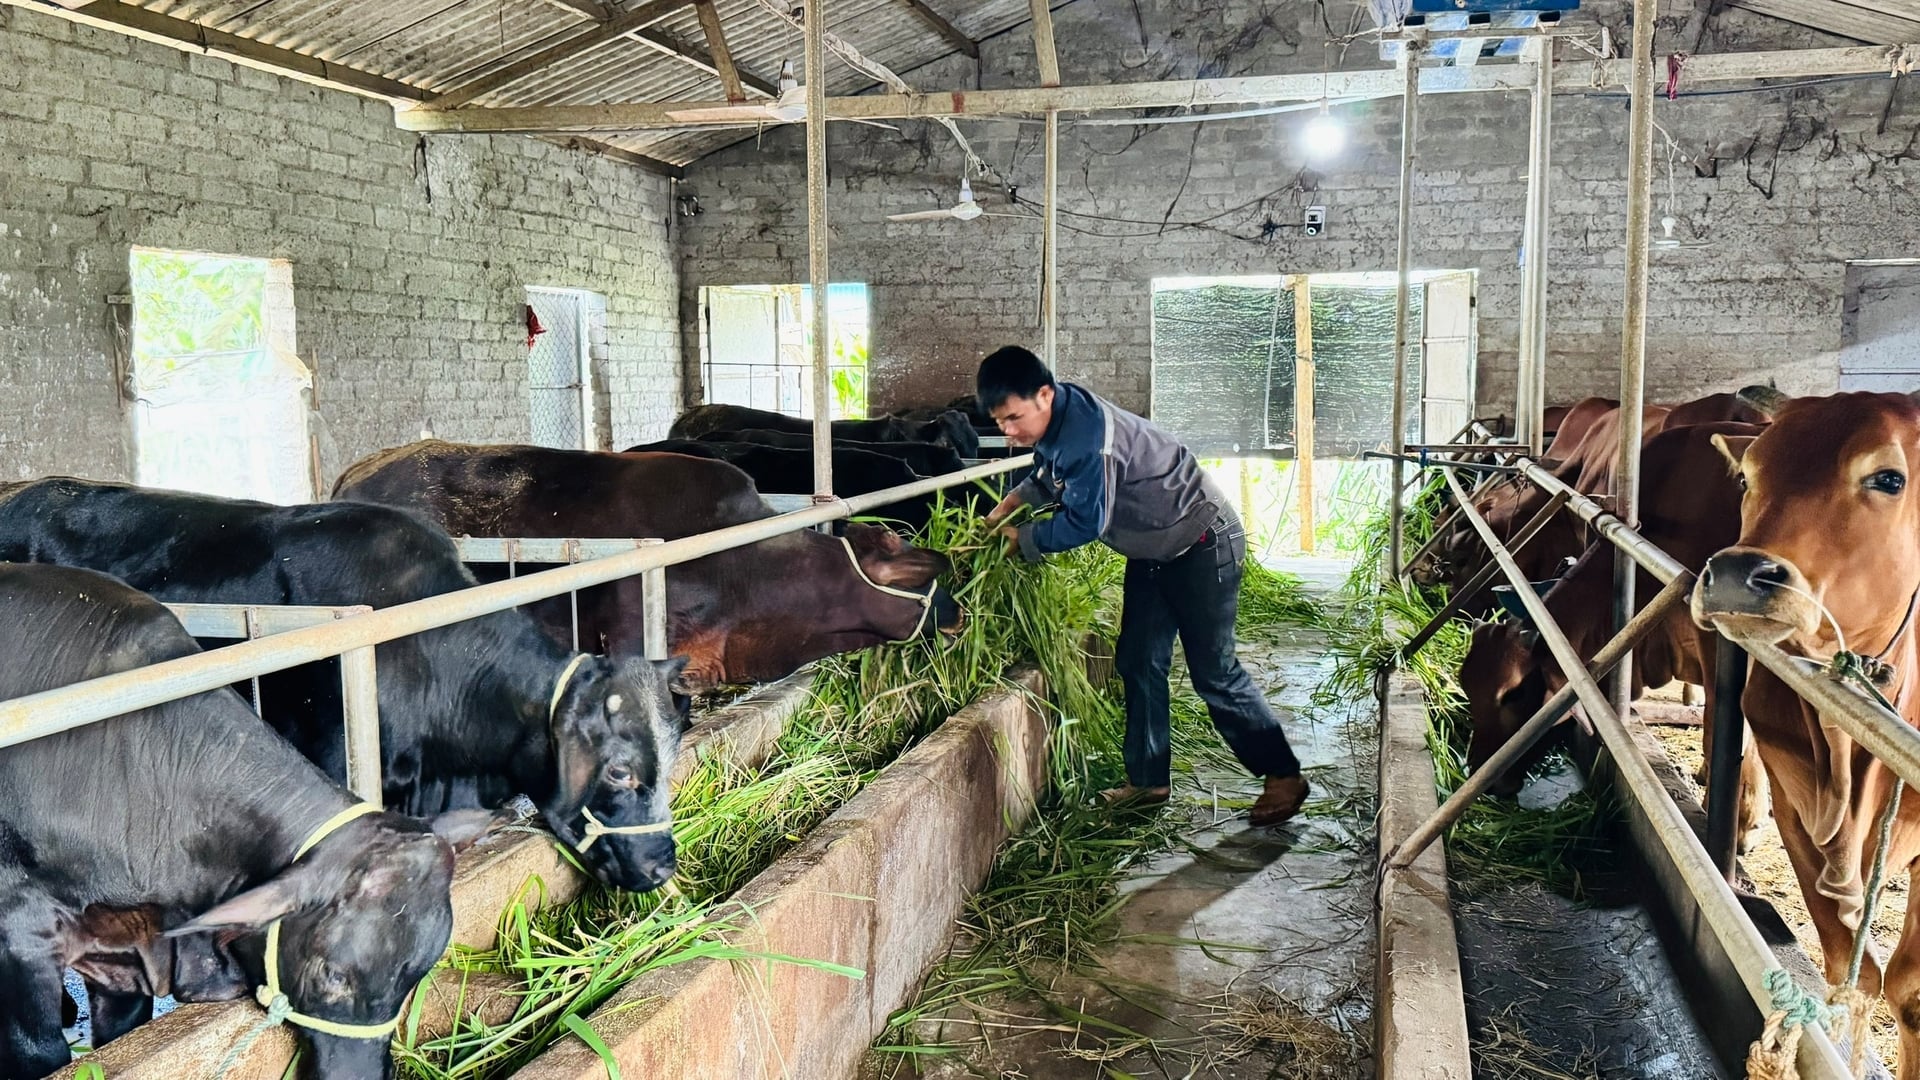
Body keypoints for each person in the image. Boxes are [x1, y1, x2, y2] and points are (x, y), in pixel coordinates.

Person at [975, 346, 1310, 826]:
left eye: (1013, 418)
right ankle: (1149, 782)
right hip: (1154, 551)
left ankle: (1283, 775)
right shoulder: (1057, 419)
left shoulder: (1091, 440)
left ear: (1044, 394)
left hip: (1202, 543)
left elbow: (1086, 523)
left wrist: (1021, 538)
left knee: (1214, 672)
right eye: (999, 422)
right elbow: (1047, 478)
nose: (1008, 432)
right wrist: (1005, 508)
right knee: (1137, 660)